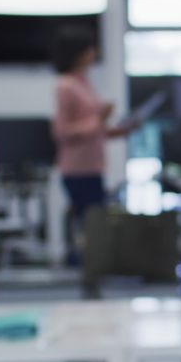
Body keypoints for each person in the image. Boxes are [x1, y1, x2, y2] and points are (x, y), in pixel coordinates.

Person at [50, 26, 138, 261]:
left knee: (95, 221)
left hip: (93, 166)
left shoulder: (84, 82)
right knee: (91, 222)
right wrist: (99, 118)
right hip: (77, 169)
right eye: (89, 48)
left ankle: (92, 266)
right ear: (78, 52)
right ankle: (87, 267)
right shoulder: (66, 86)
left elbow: (94, 129)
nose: (94, 52)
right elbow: (62, 131)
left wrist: (122, 130)